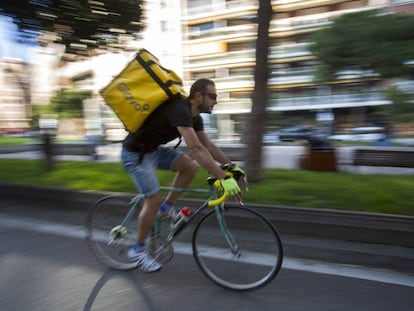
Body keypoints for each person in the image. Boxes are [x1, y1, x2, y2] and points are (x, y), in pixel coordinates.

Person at [121, 78, 246, 272]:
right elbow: (195, 148)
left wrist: (231, 166)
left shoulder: (196, 117)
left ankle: (165, 208)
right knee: (152, 200)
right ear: (198, 96)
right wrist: (223, 177)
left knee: (190, 167)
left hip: (153, 151)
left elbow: (207, 146)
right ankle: (137, 249)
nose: (215, 101)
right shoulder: (180, 109)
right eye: (212, 96)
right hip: (135, 155)